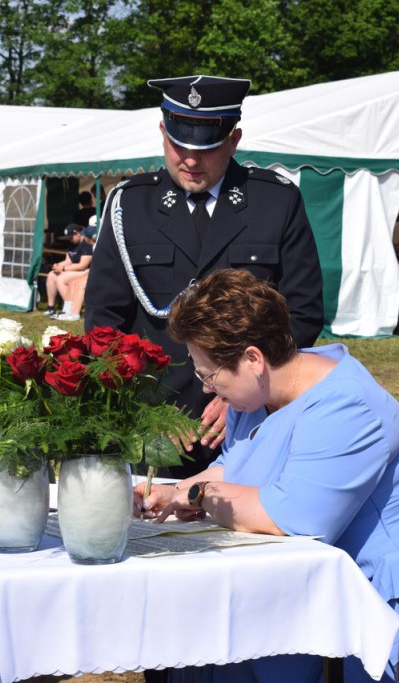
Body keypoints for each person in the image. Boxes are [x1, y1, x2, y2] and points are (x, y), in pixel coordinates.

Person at [136, 269, 399, 683]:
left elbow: (289, 520)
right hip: (307, 579)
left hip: (390, 594)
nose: (205, 388)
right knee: (192, 631)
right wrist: (170, 492)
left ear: (254, 359)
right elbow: (231, 466)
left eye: (209, 374)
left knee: (227, 638)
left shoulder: (349, 409)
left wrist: (199, 496)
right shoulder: (260, 394)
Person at [84, 75, 324, 479]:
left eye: (207, 148)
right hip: (154, 422)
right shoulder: (130, 205)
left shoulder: (275, 201)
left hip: (251, 419)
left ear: (233, 140)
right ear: (162, 133)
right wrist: (142, 410)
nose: (191, 160)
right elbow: (104, 322)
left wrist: (241, 394)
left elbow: (302, 312)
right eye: (180, 144)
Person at [43, 224, 93, 321]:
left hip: (85, 271)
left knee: (61, 279)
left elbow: (83, 265)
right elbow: (68, 261)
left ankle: (72, 308)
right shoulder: (72, 244)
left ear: (78, 233)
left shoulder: (87, 244)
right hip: (74, 270)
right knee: (51, 275)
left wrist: (64, 269)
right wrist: (58, 265)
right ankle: (51, 308)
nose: (70, 240)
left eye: (71, 237)